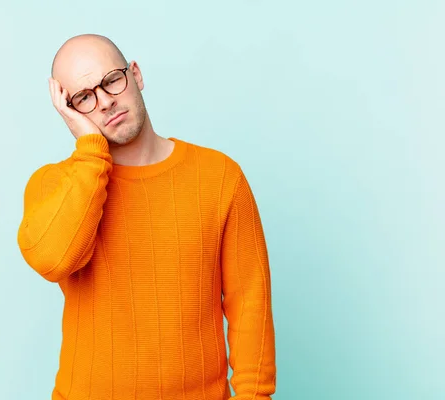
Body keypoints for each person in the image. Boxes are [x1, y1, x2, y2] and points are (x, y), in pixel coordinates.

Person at [17, 33, 277, 400]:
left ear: (135, 75)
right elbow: (53, 261)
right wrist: (90, 153)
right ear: (69, 111)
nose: (106, 102)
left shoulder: (219, 177)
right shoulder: (55, 185)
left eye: (111, 81)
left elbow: (251, 304)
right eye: (84, 98)